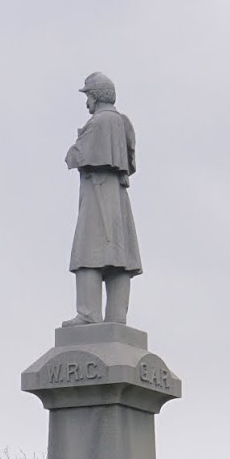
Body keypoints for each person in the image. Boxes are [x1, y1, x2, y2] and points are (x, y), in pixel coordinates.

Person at [62, 72, 142, 327]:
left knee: (88, 250)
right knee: (120, 255)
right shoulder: (124, 123)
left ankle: (89, 314)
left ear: (95, 96)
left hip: (97, 194)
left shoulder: (97, 123)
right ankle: (117, 318)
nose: (87, 103)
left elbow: (75, 157)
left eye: (88, 96)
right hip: (118, 197)